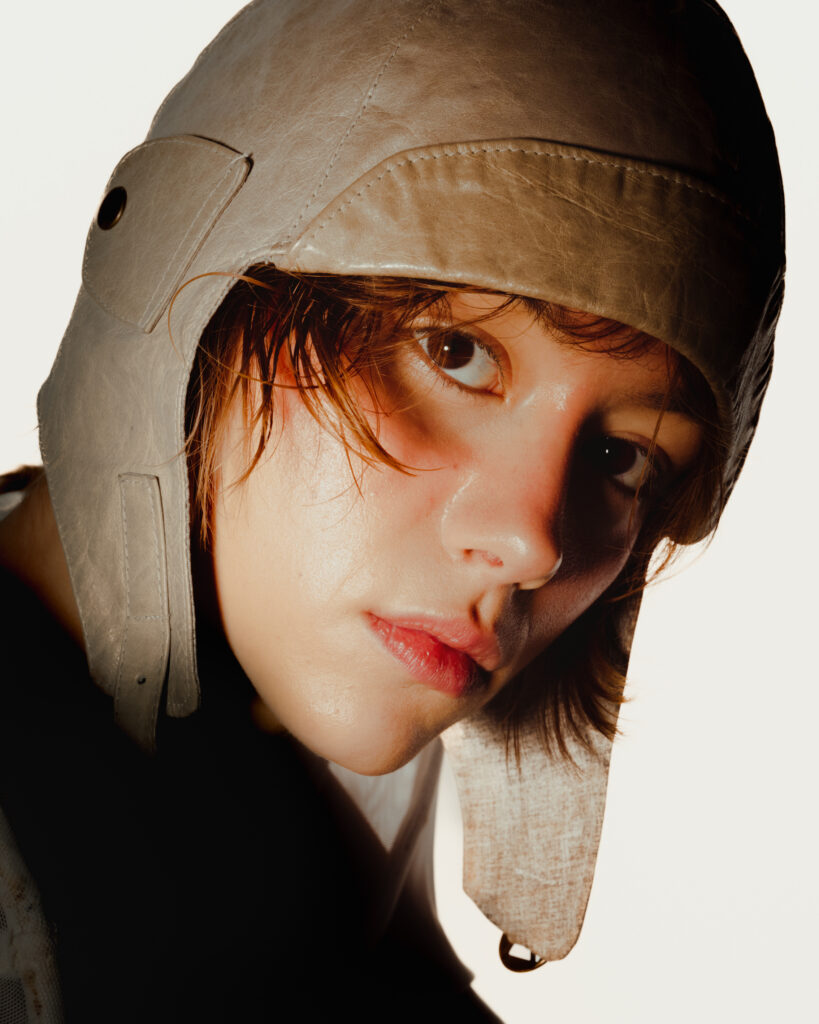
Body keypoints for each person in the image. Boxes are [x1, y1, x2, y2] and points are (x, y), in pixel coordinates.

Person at [0, 1, 784, 1021]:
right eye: (455, 353)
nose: (531, 542)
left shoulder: (280, 791)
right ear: (190, 277)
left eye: (620, 456)